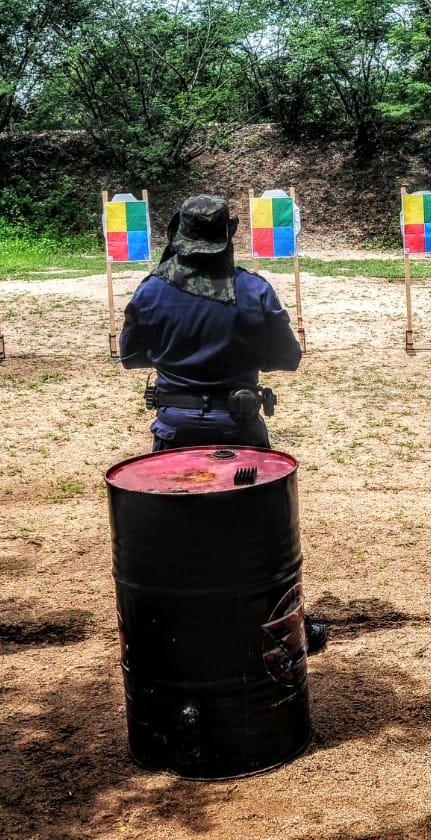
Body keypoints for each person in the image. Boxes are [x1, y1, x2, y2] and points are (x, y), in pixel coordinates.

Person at [119, 194, 324, 651]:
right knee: (260, 537)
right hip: (240, 431)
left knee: (171, 534)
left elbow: (131, 357)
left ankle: (173, 630)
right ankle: (283, 623)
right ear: (226, 238)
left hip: (174, 431)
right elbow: (287, 359)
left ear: (180, 237)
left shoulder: (151, 288)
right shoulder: (253, 290)